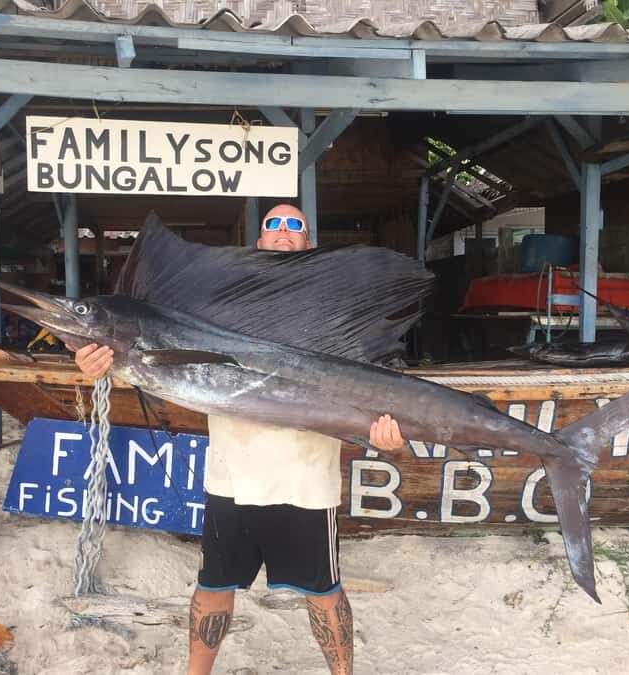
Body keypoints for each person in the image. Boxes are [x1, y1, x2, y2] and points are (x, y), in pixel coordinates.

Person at [72, 205, 404, 675]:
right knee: (212, 585)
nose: (284, 231)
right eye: (274, 224)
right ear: (259, 241)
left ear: (308, 243)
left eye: (295, 225)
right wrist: (97, 364)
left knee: (323, 591)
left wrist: (386, 438)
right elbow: (149, 358)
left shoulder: (332, 306)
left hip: (306, 481)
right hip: (232, 477)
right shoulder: (221, 300)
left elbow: (374, 392)